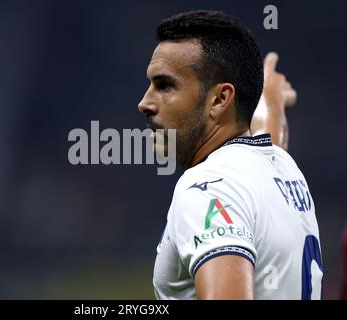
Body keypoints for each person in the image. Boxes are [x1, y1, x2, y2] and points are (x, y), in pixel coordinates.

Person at [138, 10, 323, 299]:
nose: (144, 103)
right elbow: (268, 134)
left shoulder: (207, 188)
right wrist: (271, 100)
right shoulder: (282, 167)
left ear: (220, 99)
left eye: (165, 85)